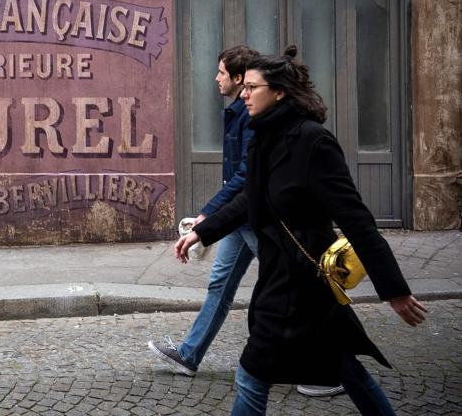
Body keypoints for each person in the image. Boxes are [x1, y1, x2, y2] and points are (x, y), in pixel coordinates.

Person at [175, 46, 427, 416]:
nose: (243, 94)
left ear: (279, 92)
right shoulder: (263, 138)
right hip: (281, 274)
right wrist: (204, 231)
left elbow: (358, 222)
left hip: (302, 282)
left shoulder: (314, 142)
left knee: (251, 373)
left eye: (252, 88)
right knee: (344, 366)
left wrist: (395, 291)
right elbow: (249, 198)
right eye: (242, 87)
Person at [148, 45, 260, 377]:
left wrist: (210, 212)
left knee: (289, 289)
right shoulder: (239, 111)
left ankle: (329, 368)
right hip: (238, 218)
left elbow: (244, 174)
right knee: (220, 286)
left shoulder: (251, 115)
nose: (216, 78)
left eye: (221, 72)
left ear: (239, 79)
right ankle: (189, 355)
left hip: (253, 216)